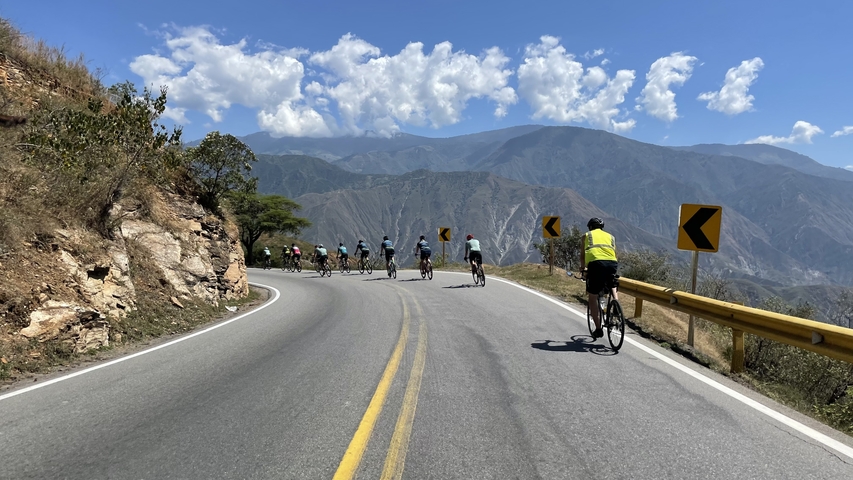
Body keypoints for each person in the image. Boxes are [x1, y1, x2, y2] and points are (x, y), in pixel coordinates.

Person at [580, 217, 618, 339]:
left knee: (592, 297)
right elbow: (613, 253)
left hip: (596, 265)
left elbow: (582, 255)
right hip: (612, 263)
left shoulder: (586, 236)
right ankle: (616, 301)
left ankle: (598, 329)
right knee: (612, 282)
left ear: (590, 227)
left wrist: (582, 268)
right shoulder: (611, 237)